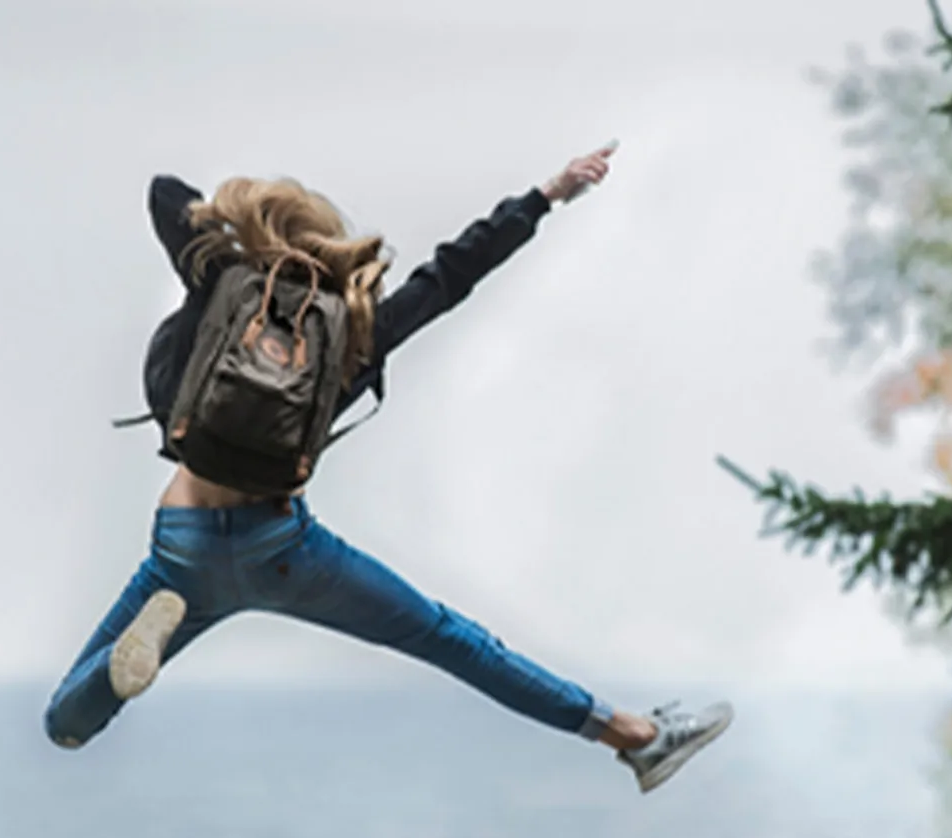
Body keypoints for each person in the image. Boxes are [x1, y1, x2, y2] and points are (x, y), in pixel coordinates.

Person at [42, 143, 733, 793]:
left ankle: (122, 667)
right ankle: (633, 736)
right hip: (282, 549)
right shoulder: (351, 331)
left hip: (183, 545)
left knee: (65, 723)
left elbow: (166, 194)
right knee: (451, 640)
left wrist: (239, 237)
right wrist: (546, 195)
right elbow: (451, 275)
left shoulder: (221, 283)